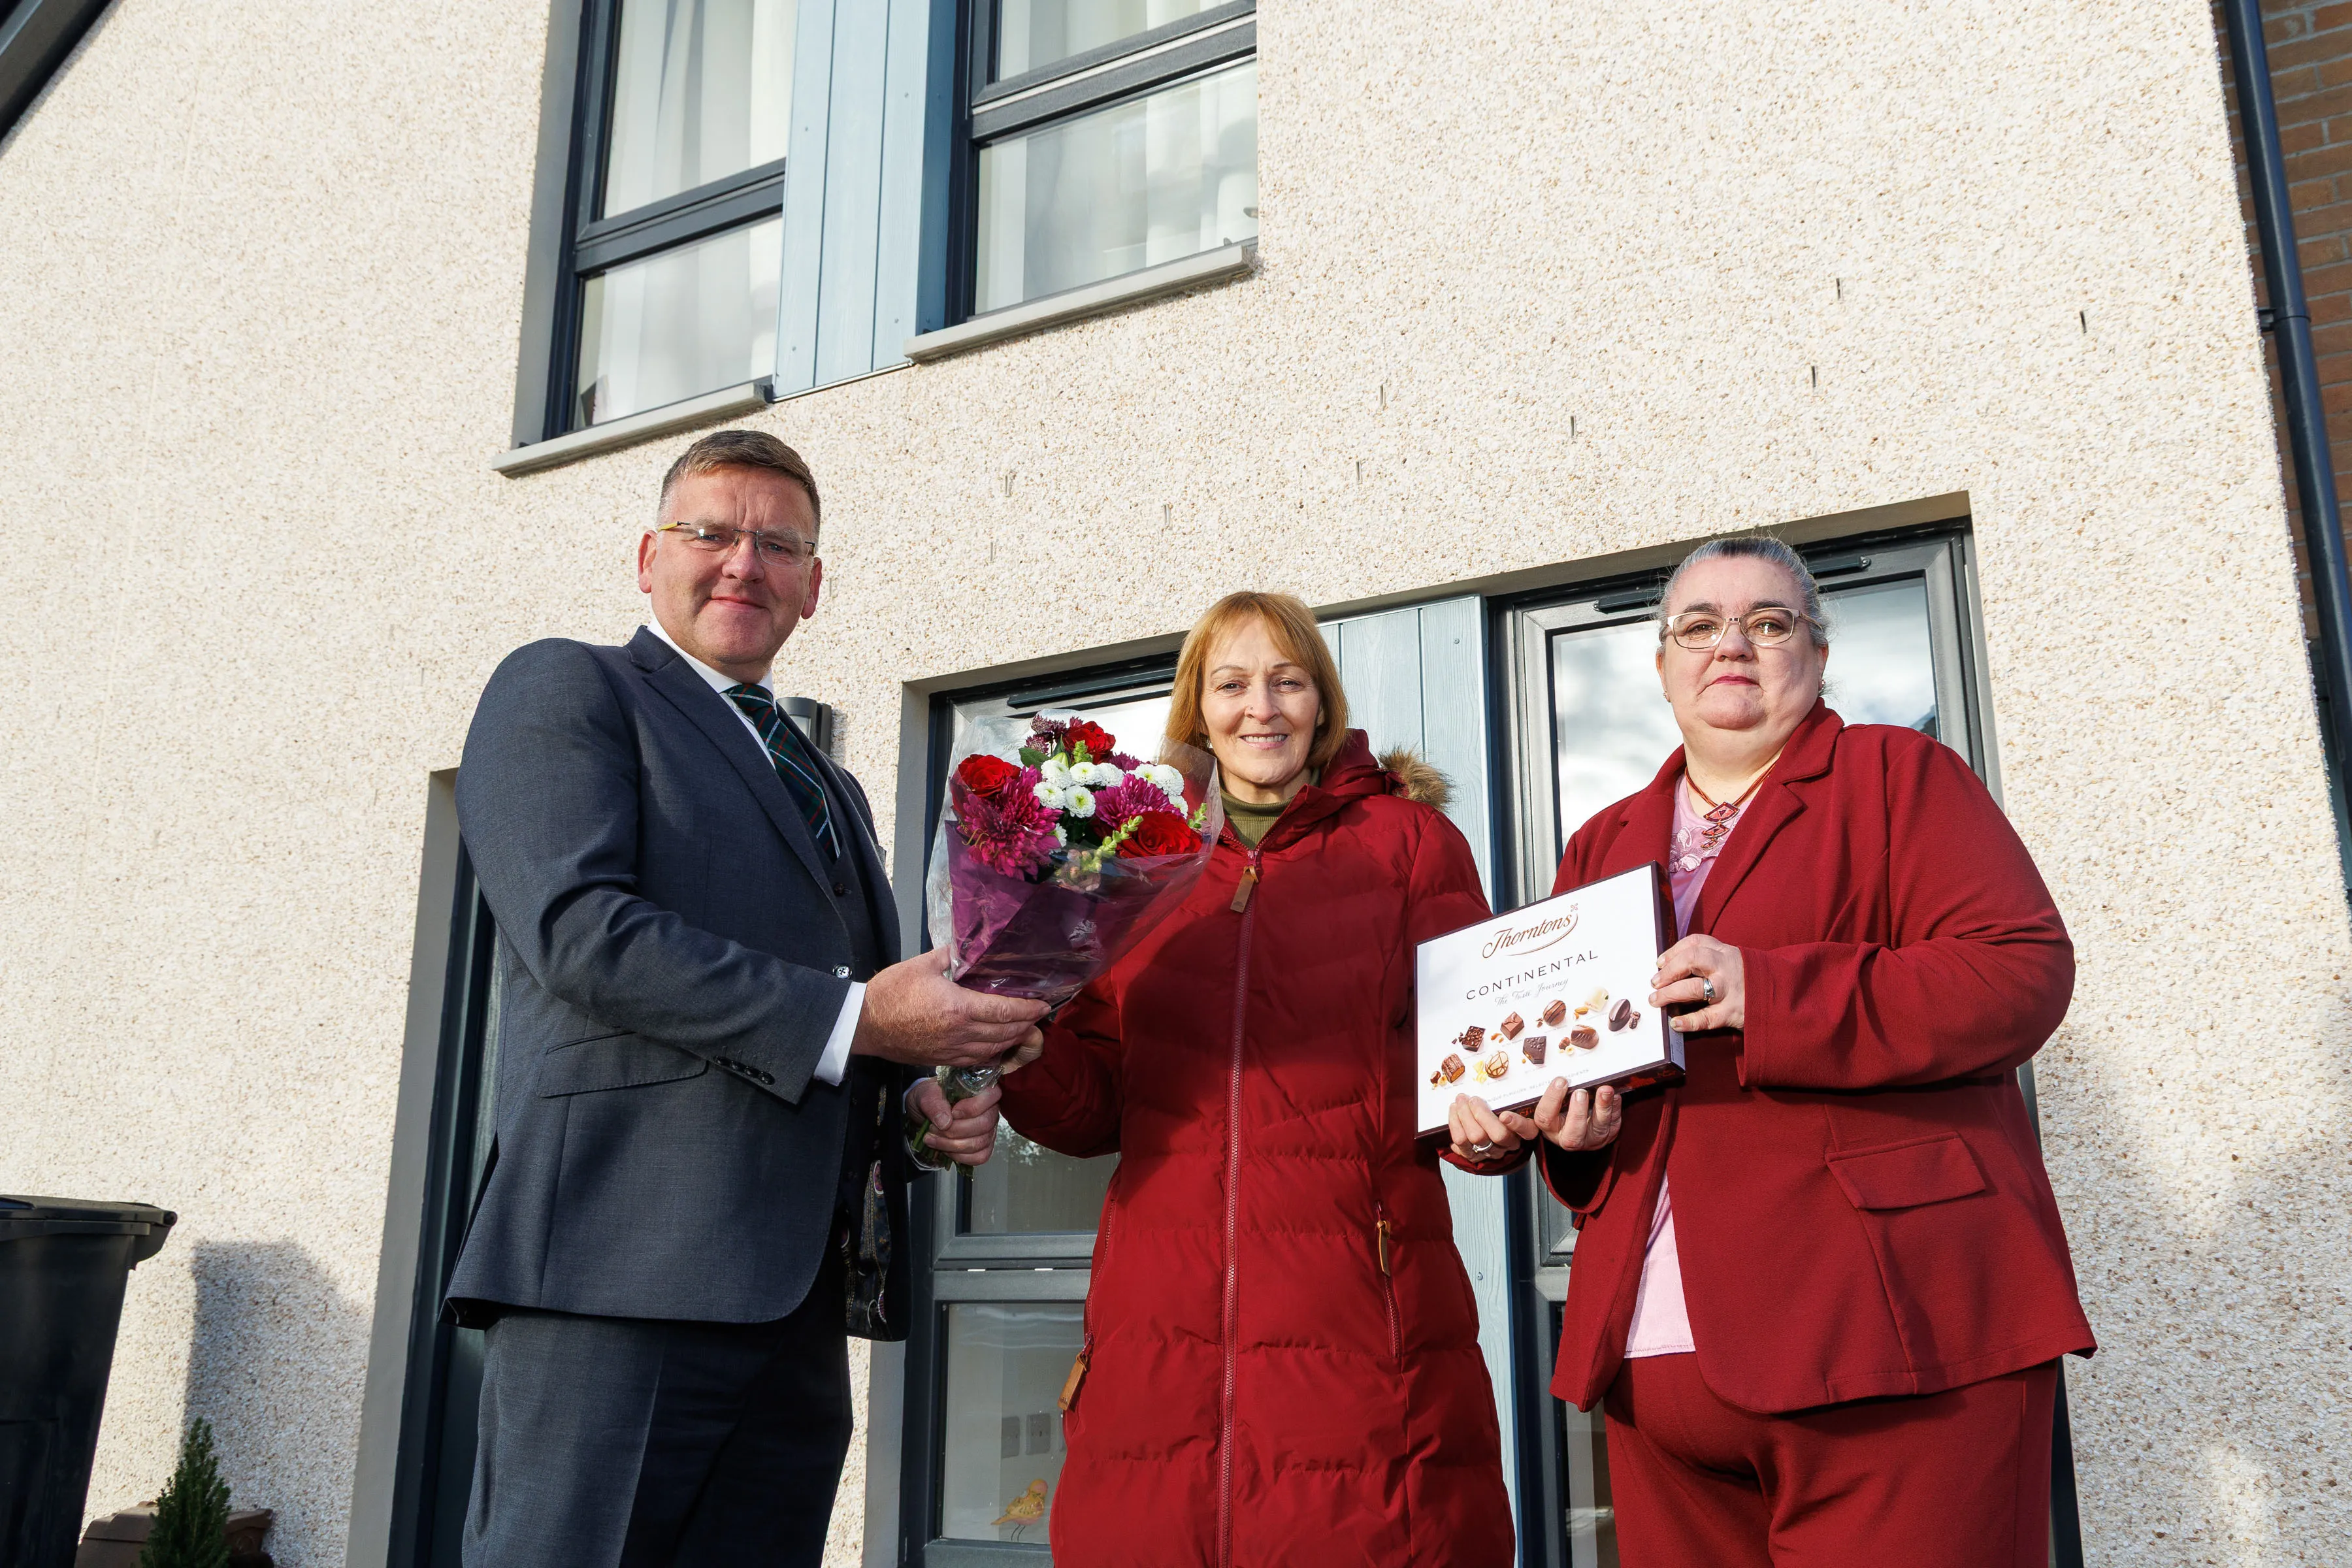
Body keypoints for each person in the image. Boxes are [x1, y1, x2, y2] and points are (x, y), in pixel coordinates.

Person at [445, 429, 1047, 1568]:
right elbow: (583, 934)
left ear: (814, 588)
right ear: (646, 556)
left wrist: (913, 1100)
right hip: (616, 1282)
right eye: (710, 532)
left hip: (797, 1310)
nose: (742, 563)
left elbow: (847, 1014)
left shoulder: (830, 778)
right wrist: (864, 1020)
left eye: (779, 544)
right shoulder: (566, 686)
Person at [1447, 536, 2094, 1567]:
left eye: (1769, 622)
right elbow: (1607, 1082)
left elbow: (2020, 975)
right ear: (1661, 667)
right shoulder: (1603, 842)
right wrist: (1563, 1131)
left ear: (1819, 653)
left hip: (1888, 1337)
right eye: (1698, 627)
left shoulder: (1899, 777)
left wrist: (1774, 990)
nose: (1731, 645)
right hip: (1654, 1357)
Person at [1000, 592, 1515, 1568]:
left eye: (1286, 681)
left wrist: (1493, 1128)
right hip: (1158, 1328)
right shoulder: (1134, 863)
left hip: (1361, 1323)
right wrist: (1027, 1050)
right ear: (1198, 710)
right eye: (1232, 684)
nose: (1261, 708)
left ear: (1322, 700)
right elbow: (1097, 1104)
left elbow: (1476, 1059)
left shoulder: (1410, 847)